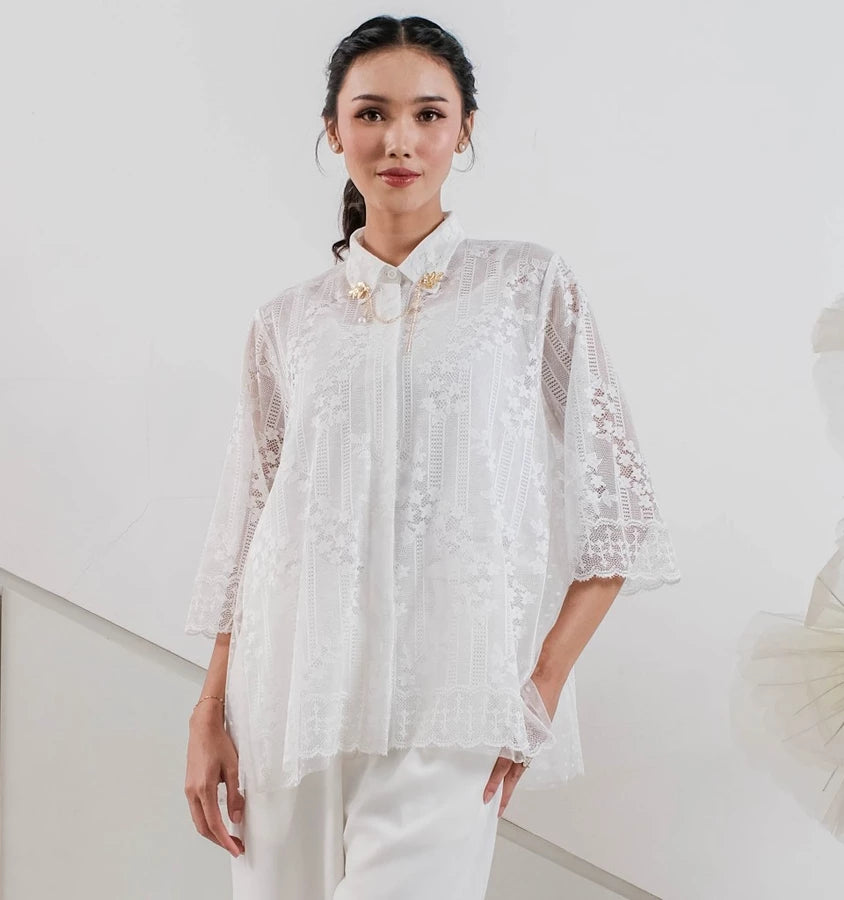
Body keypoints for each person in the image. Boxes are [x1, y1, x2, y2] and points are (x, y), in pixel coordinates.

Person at [184, 14, 681, 900]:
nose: (399, 140)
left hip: (450, 706)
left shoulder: (527, 288)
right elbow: (249, 529)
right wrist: (208, 710)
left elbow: (622, 516)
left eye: (428, 114)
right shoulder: (287, 323)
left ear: (465, 129)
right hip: (284, 702)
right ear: (333, 130)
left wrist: (537, 692)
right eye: (371, 113)